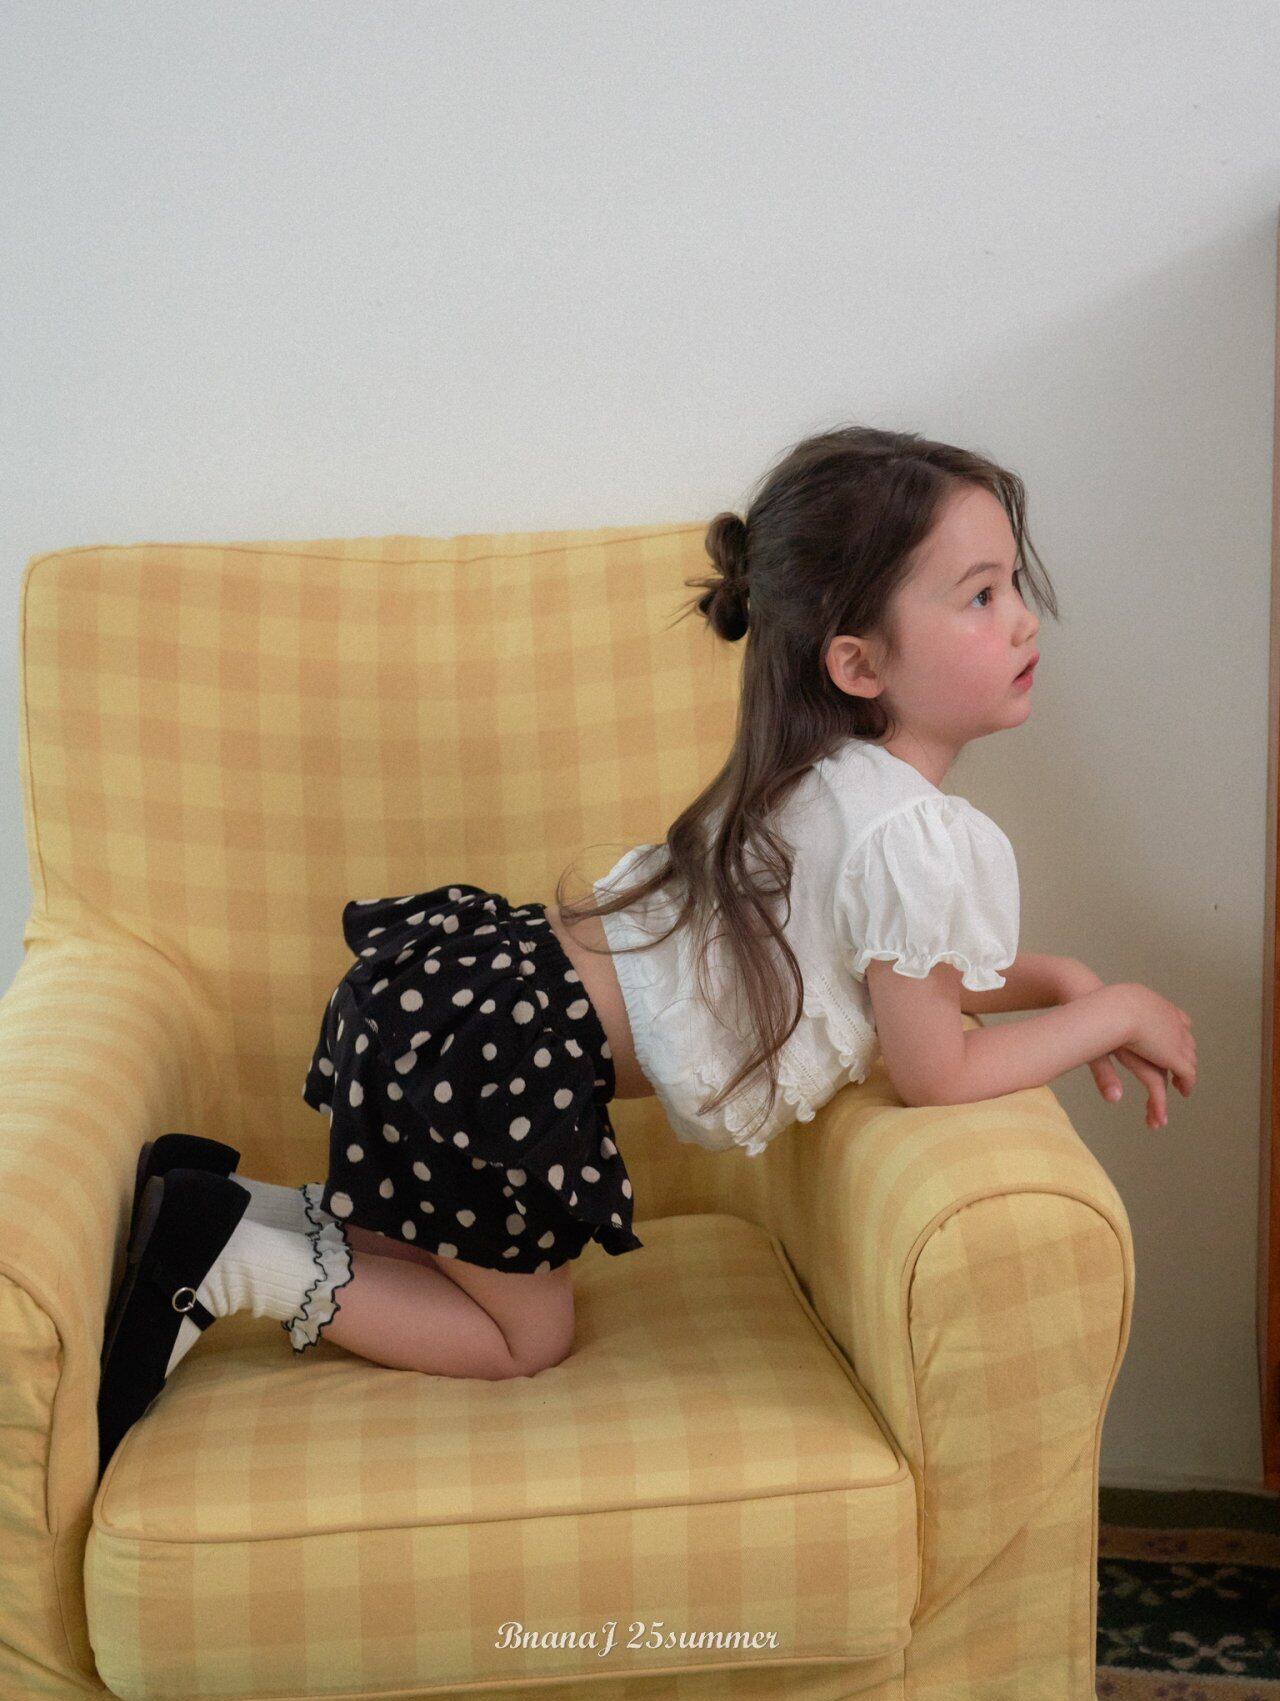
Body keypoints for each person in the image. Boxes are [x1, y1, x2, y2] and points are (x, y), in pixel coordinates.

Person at [97, 423, 1196, 1474]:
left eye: (1013, 585)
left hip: (458, 996)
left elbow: (895, 979)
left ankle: (222, 1203)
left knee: (423, 1250)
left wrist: (1056, 982)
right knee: (523, 1340)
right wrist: (1114, 1012)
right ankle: (233, 1262)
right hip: (502, 1054)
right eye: (981, 595)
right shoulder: (906, 832)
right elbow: (934, 1068)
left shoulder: (820, 782)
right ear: (858, 664)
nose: (1024, 621)